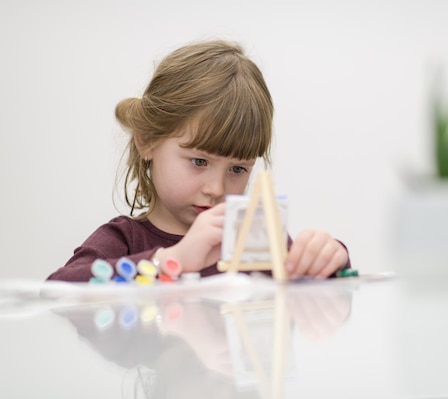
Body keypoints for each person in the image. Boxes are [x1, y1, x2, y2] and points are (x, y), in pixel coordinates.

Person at [47, 39, 349, 282]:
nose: (216, 188)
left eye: (238, 169)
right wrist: (171, 260)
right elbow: (58, 289)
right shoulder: (124, 240)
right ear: (147, 140)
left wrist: (329, 258)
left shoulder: (255, 240)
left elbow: (317, 285)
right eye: (199, 162)